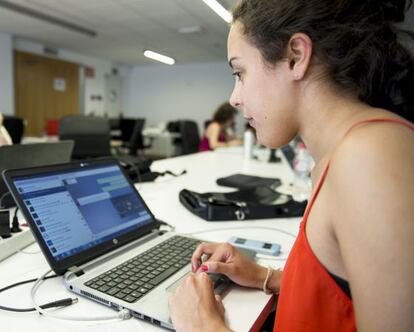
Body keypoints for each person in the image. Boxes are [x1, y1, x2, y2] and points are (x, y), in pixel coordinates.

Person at [169, 0, 414, 331]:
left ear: (295, 57)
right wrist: (264, 276)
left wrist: (205, 326)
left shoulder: (370, 158)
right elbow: (343, 289)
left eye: (240, 73)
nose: (234, 98)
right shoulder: (341, 155)